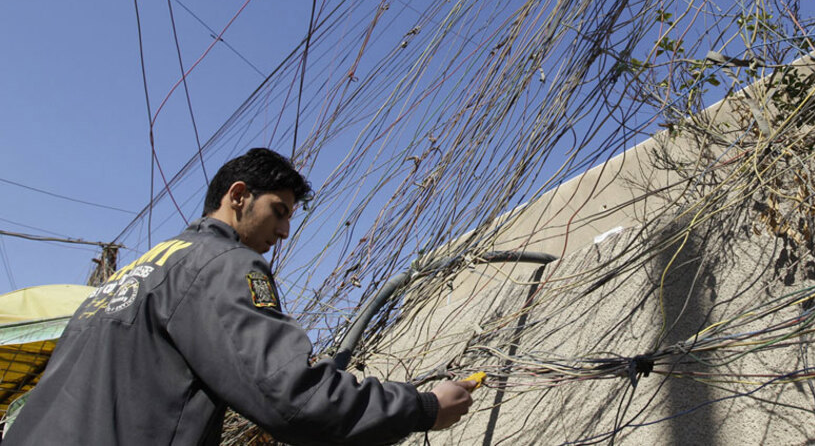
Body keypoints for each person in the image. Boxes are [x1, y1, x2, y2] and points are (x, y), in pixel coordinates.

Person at [4, 148, 474, 445]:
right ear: (239, 195)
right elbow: (288, 397)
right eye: (279, 211)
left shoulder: (140, 270)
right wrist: (424, 407)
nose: (285, 231)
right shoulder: (221, 262)